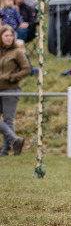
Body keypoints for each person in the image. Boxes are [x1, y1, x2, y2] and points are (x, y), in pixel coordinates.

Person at [0, 24, 30, 156]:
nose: (9, 38)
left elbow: (27, 69)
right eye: (6, 35)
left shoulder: (17, 52)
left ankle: (5, 151)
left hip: (11, 90)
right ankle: (15, 141)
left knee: (8, 120)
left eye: (11, 36)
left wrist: (12, 77)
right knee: (6, 121)